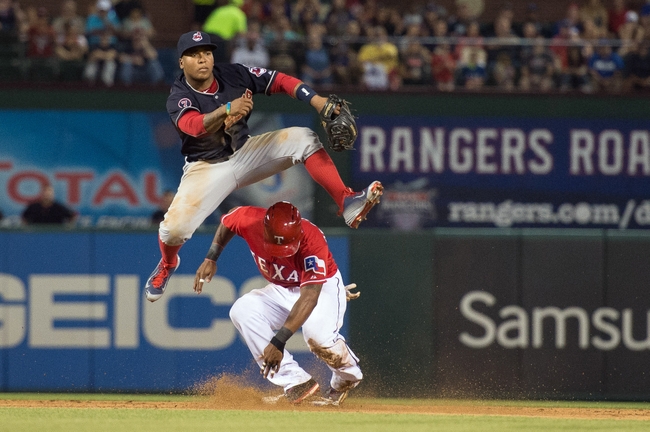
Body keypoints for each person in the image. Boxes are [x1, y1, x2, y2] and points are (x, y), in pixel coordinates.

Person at [143, 30, 383, 303]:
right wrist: (227, 109)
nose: (203, 60)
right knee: (172, 230)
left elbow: (278, 80)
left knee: (303, 138)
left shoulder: (233, 74)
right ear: (181, 62)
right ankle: (167, 264)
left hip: (247, 153)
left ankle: (346, 200)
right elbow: (195, 126)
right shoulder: (179, 96)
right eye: (194, 55)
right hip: (206, 167)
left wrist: (316, 101)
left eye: (207, 53)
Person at [193, 201, 363, 405]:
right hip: (282, 288)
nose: (282, 250)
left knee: (318, 338)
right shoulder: (250, 219)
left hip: (319, 287)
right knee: (242, 310)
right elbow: (229, 220)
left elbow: (309, 296)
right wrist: (211, 258)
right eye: (277, 244)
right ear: (264, 229)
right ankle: (296, 381)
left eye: (287, 245)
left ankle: (347, 377)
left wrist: (278, 341)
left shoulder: (312, 239)